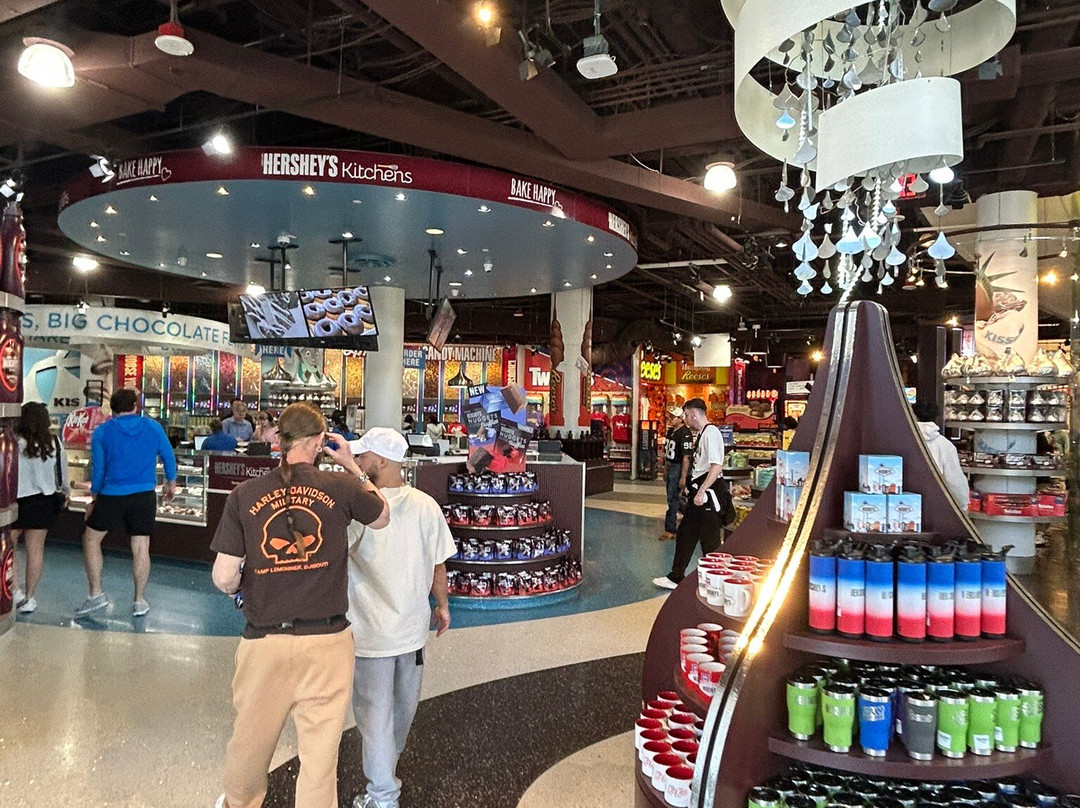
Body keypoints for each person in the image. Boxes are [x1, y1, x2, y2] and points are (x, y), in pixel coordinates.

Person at [210, 401, 390, 808]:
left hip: (264, 643)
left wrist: (245, 585)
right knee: (320, 760)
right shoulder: (341, 486)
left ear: (279, 438)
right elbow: (382, 516)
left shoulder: (244, 495)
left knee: (249, 746)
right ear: (320, 441)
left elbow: (223, 577)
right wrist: (352, 465)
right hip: (327, 642)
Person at [345, 428, 454, 808]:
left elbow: (334, 556)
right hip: (409, 630)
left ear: (382, 460)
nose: (357, 462)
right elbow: (439, 562)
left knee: (377, 715)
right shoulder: (426, 505)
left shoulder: (359, 510)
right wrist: (442, 606)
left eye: (363, 455)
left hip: (372, 633)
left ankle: (382, 792)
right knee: (400, 710)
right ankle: (384, 782)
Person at [75, 388, 177, 617]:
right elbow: (168, 456)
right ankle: (139, 600)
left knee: (91, 539)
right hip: (143, 495)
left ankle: (96, 593)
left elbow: (99, 469)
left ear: (112, 408)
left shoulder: (102, 432)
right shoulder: (152, 427)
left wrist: (95, 497)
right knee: (141, 546)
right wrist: (170, 482)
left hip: (111, 494)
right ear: (135, 406)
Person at [653, 397, 729, 590]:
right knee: (686, 534)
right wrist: (691, 485)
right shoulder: (703, 433)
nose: (686, 419)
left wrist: (701, 491)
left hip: (707, 496)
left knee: (710, 541)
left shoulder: (711, 433)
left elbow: (716, 466)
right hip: (699, 493)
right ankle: (676, 576)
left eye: (686, 415)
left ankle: (717, 581)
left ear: (694, 414)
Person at [10, 402, 69, 614]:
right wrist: (66, 492)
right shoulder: (54, 443)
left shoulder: (13, 444)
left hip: (16, 502)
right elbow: (62, 474)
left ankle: (14, 591)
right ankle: (30, 596)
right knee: (35, 551)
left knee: (8, 547)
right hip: (45, 502)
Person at [912, 400, 968, 507]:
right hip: (935, 504)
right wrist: (963, 504)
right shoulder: (945, 445)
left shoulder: (902, 440)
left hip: (905, 501)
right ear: (936, 417)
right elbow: (955, 481)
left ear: (912, 415)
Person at [660, 407, 693, 541]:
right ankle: (691, 518)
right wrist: (665, 468)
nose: (670, 419)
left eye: (673, 417)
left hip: (678, 467)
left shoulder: (685, 434)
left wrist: (683, 476)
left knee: (673, 498)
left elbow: (686, 457)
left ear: (680, 419)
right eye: (669, 416)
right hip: (671, 466)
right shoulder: (671, 431)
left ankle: (670, 529)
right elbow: (667, 452)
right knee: (674, 497)